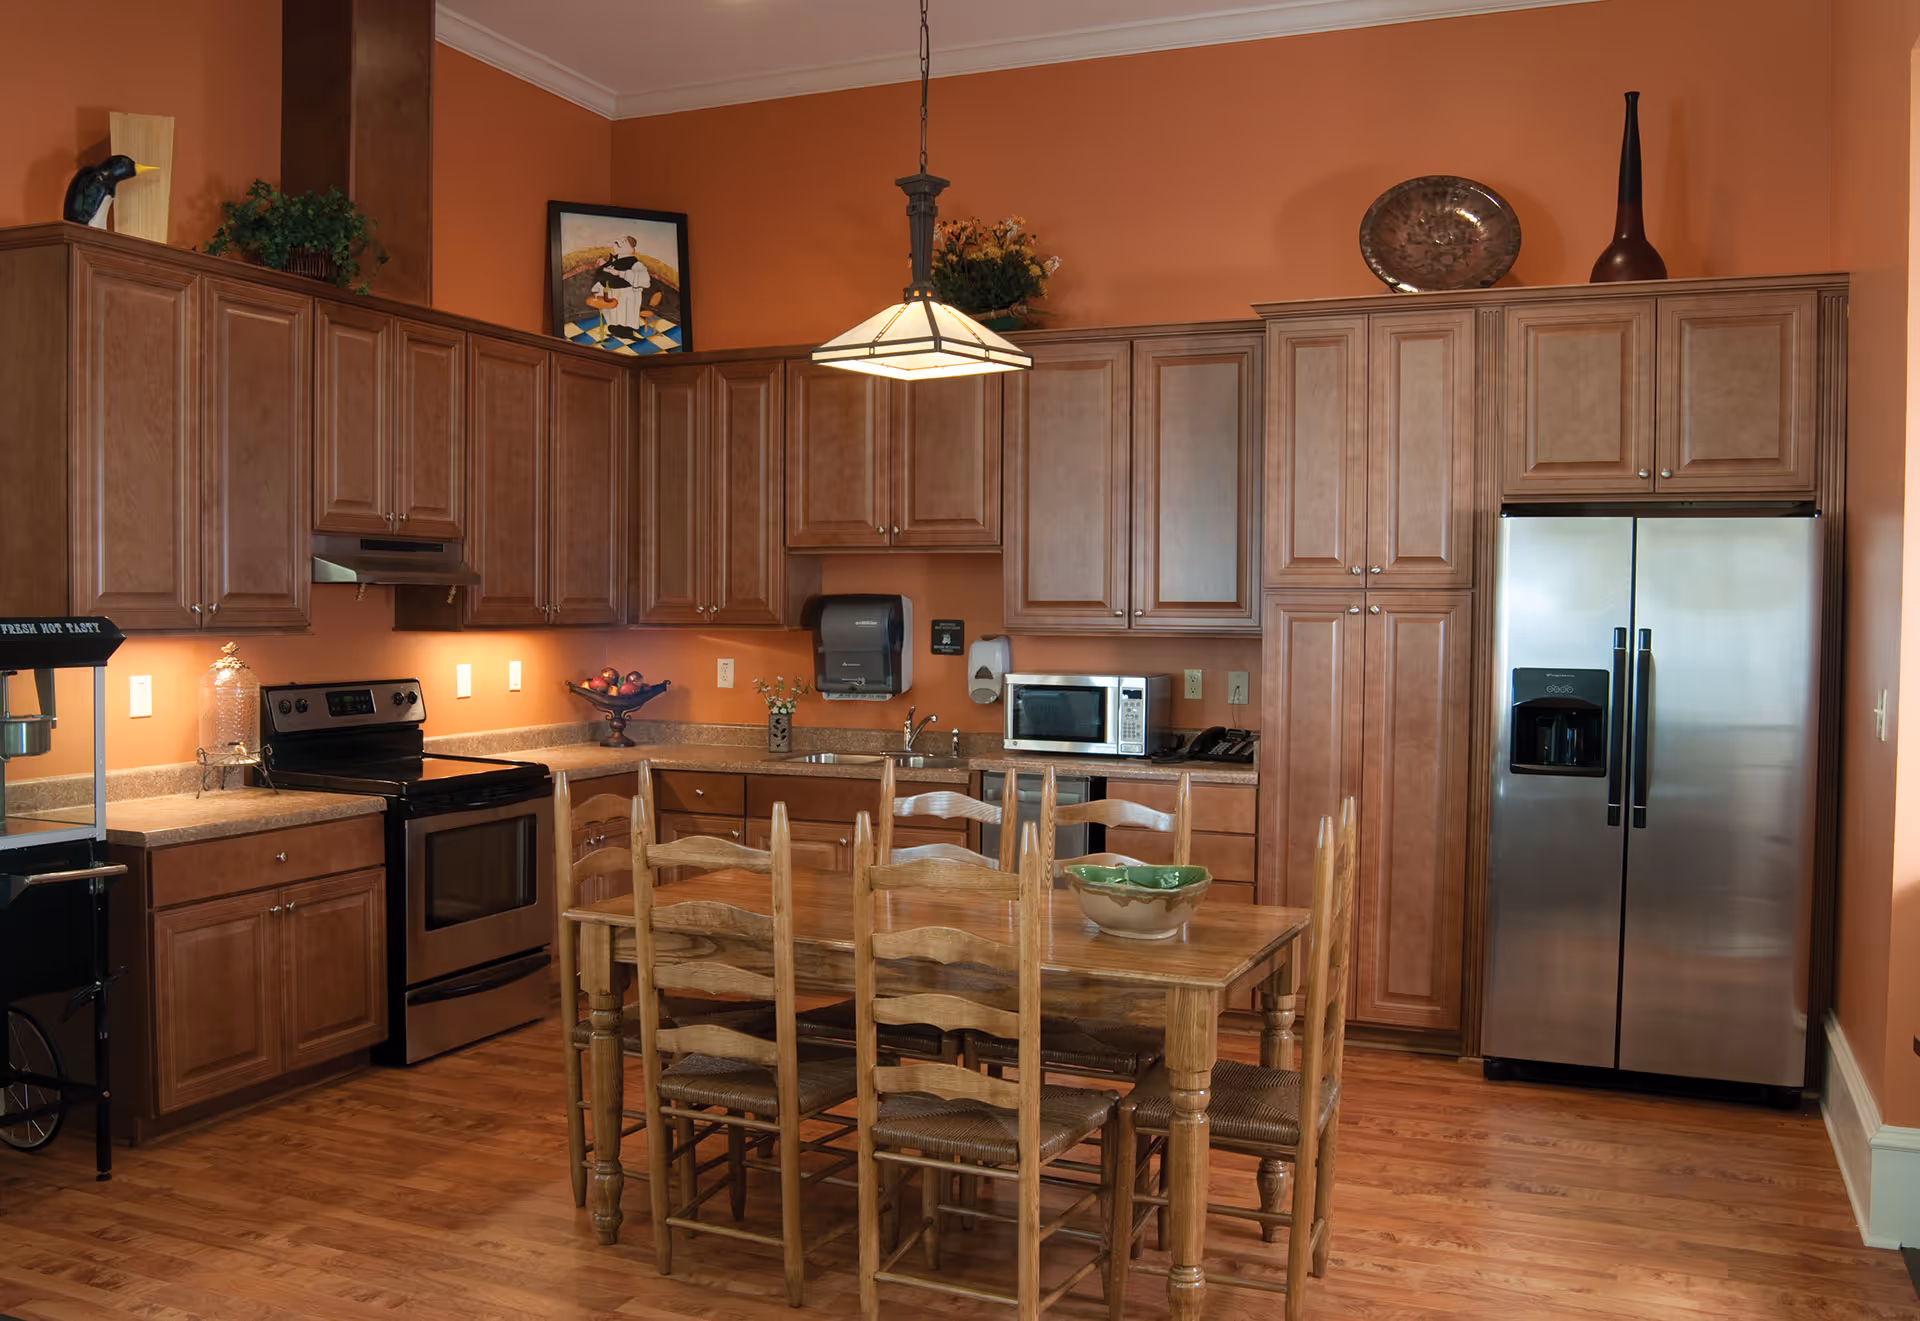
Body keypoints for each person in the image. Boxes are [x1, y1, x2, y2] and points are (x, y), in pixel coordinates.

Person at [597, 236, 653, 338]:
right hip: (613, 294)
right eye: (618, 241)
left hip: (627, 295)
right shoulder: (613, 261)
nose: (619, 242)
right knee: (613, 316)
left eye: (624, 241)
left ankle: (627, 334)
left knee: (624, 317)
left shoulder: (636, 264)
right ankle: (614, 330)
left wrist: (620, 273)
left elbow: (645, 281)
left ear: (632, 250)